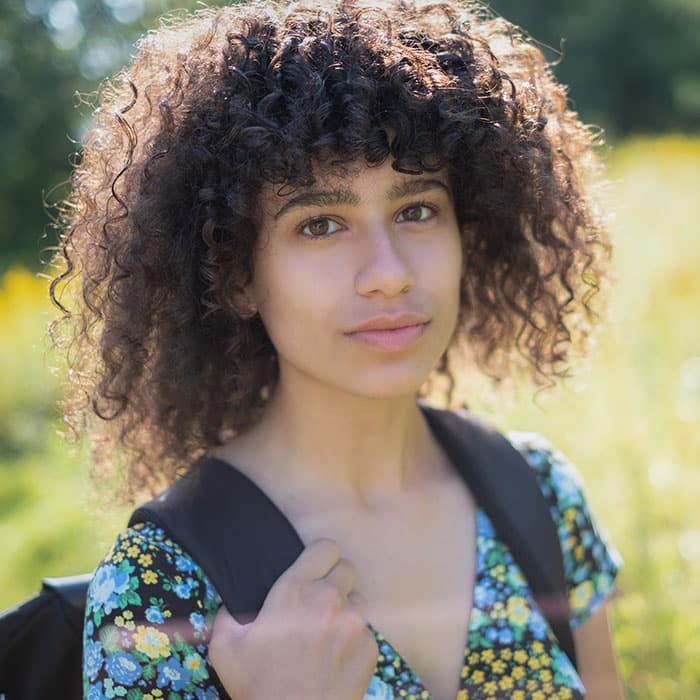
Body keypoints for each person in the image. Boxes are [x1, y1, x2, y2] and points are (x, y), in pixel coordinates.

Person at [50, 0, 624, 697]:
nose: (389, 272)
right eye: (320, 224)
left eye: (417, 210)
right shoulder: (159, 587)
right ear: (234, 276)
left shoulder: (540, 493)